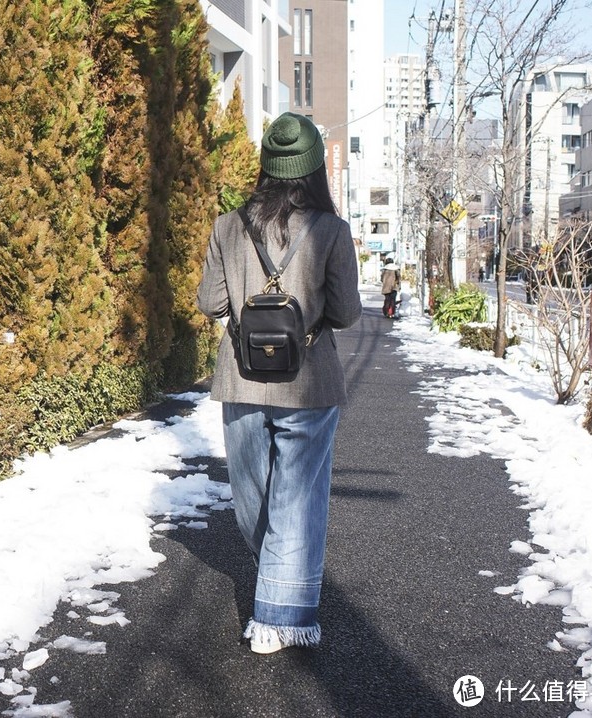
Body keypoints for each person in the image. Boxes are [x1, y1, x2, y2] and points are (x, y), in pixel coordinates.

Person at [197, 112, 362, 654]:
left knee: (254, 495)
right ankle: (285, 600)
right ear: (314, 169)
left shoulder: (227, 226)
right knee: (298, 495)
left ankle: (277, 609)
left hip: (241, 381)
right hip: (310, 380)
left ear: (266, 167)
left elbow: (211, 304)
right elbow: (344, 314)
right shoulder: (332, 231)